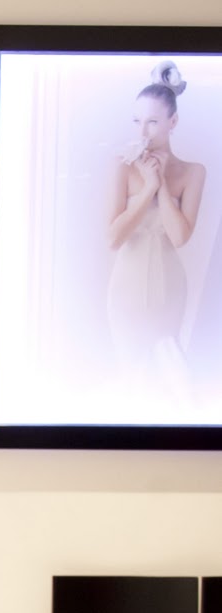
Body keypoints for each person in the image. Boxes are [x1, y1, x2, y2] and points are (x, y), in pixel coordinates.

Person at [107, 62, 206, 379]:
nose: (142, 132)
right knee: (131, 373)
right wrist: (147, 186)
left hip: (170, 288)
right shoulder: (122, 166)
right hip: (125, 287)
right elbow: (113, 239)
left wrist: (161, 184)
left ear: (172, 121)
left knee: (168, 373)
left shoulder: (193, 172)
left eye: (152, 122)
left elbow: (179, 237)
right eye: (137, 121)